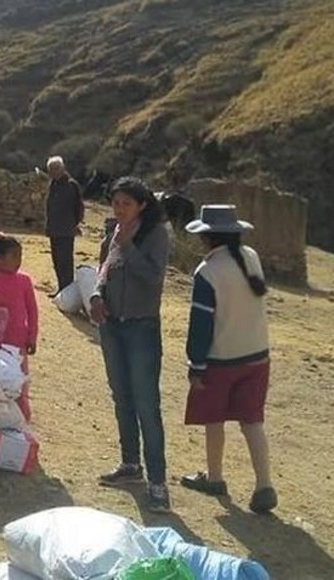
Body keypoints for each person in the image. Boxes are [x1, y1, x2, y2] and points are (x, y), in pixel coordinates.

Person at [180, 205, 277, 514]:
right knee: (252, 421)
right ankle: (264, 484)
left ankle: (216, 477)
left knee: (214, 418)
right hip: (257, 354)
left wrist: (196, 364)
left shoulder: (207, 272)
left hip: (221, 358)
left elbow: (201, 325)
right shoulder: (251, 257)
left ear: (207, 237)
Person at [89, 176, 171, 513]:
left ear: (142, 205)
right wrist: (95, 296)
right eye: (116, 202)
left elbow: (153, 277)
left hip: (141, 327)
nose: (119, 209)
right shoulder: (114, 233)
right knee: (121, 397)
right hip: (113, 325)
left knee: (146, 404)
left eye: (126, 203)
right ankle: (130, 465)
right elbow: (103, 271)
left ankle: (158, 483)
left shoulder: (155, 235)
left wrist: (129, 246)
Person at [0, 233, 38, 420]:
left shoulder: (24, 281)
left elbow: (32, 311)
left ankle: (21, 419)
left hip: (18, 343)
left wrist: (32, 336)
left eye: (20, 255)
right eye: (14, 256)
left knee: (19, 384)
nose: (19, 260)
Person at [45, 156, 84, 295]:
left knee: (65, 262)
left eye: (55, 169)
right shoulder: (53, 185)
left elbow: (79, 207)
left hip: (66, 230)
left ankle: (67, 291)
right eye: (50, 170)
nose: (52, 173)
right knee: (57, 260)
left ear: (62, 168)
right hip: (54, 229)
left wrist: (73, 224)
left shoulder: (71, 185)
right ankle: (61, 289)